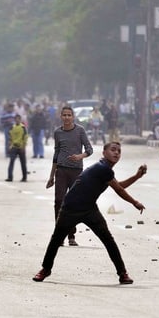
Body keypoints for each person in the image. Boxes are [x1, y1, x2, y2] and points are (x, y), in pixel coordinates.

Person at [32, 142, 146, 285]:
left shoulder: (106, 170)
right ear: (104, 153)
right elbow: (120, 190)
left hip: (89, 209)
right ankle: (45, 269)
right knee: (56, 240)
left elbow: (119, 186)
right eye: (112, 150)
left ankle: (123, 273)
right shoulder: (102, 168)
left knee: (108, 240)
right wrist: (135, 202)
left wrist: (137, 176)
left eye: (119, 151)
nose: (116, 153)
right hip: (70, 208)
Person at [46, 106, 93, 247]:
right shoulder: (58, 132)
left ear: (73, 117)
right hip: (61, 171)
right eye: (64, 115)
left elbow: (89, 149)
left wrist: (80, 156)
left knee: (72, 203)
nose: (66, 117)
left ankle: (71, 235)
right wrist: (51, 176)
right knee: (59, 202)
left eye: (69, 115)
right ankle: (58, 236)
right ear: (61, 117)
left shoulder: (80, 131)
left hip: (76, 171)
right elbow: (56, 154)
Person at [6, 114, 28, 182]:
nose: (17, 120)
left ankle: (24, 177)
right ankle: (10, 177)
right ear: (14, 120)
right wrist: (9, 145)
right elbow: (10, 137)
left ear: (20, 119)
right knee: (11, 162)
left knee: (23, 163)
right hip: (14, 147)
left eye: (18, 119)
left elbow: (25, 138)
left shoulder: (23, 128)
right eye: (16, 119)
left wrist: (24, 147)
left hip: (21, 147)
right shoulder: (12, 127)